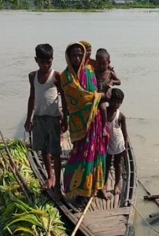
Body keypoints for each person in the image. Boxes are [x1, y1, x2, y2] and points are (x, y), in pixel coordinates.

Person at [60, 42, 111, 206]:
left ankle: (91, 189)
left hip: (94, 120)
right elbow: (77, 99)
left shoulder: (89, 71)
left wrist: (101, 94)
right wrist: (100, 96)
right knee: (79, 155)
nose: (77, 58)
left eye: (79, 55)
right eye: (73, 55)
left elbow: (92, 94)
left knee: (95, 154)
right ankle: (75, 188)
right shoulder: (65, 77)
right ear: (68, 56)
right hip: (77, 122)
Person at [24, 43, 68, 200]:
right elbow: (32, 97)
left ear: (52, 60)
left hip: (54, 118)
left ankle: (57, 186)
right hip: (39, 118)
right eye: (42, 62)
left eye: (48, 62)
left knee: (56, 152)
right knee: (44, 149)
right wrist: (29, 119)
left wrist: (65, 117)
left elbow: (64, 96)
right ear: (36, 60)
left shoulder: (56, 76)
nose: (45, 65)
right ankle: (50, 177)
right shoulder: (32, 76)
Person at [104, 88, 129, 196]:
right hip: (107, 143)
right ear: (109, 100)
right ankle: (104, 183)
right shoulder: (103, 111)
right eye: (114, 101)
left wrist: (126, 144)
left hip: (118, 142)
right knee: (107, 163)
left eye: (119, 102)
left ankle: (117, 184)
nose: (116, 104)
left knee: (117, 164)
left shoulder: (120, 116)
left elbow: (124, 132)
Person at [95, 48, 121, 136]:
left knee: (103, 108)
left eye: (104, 64)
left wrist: (112, 82)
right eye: (99, 64)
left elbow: (119, 81)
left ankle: (104, 128)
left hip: (104, 98)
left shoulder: (110, 73)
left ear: (109, 62)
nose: (101, 66)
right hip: (96, 96)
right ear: (96, 63)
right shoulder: (94, 72)